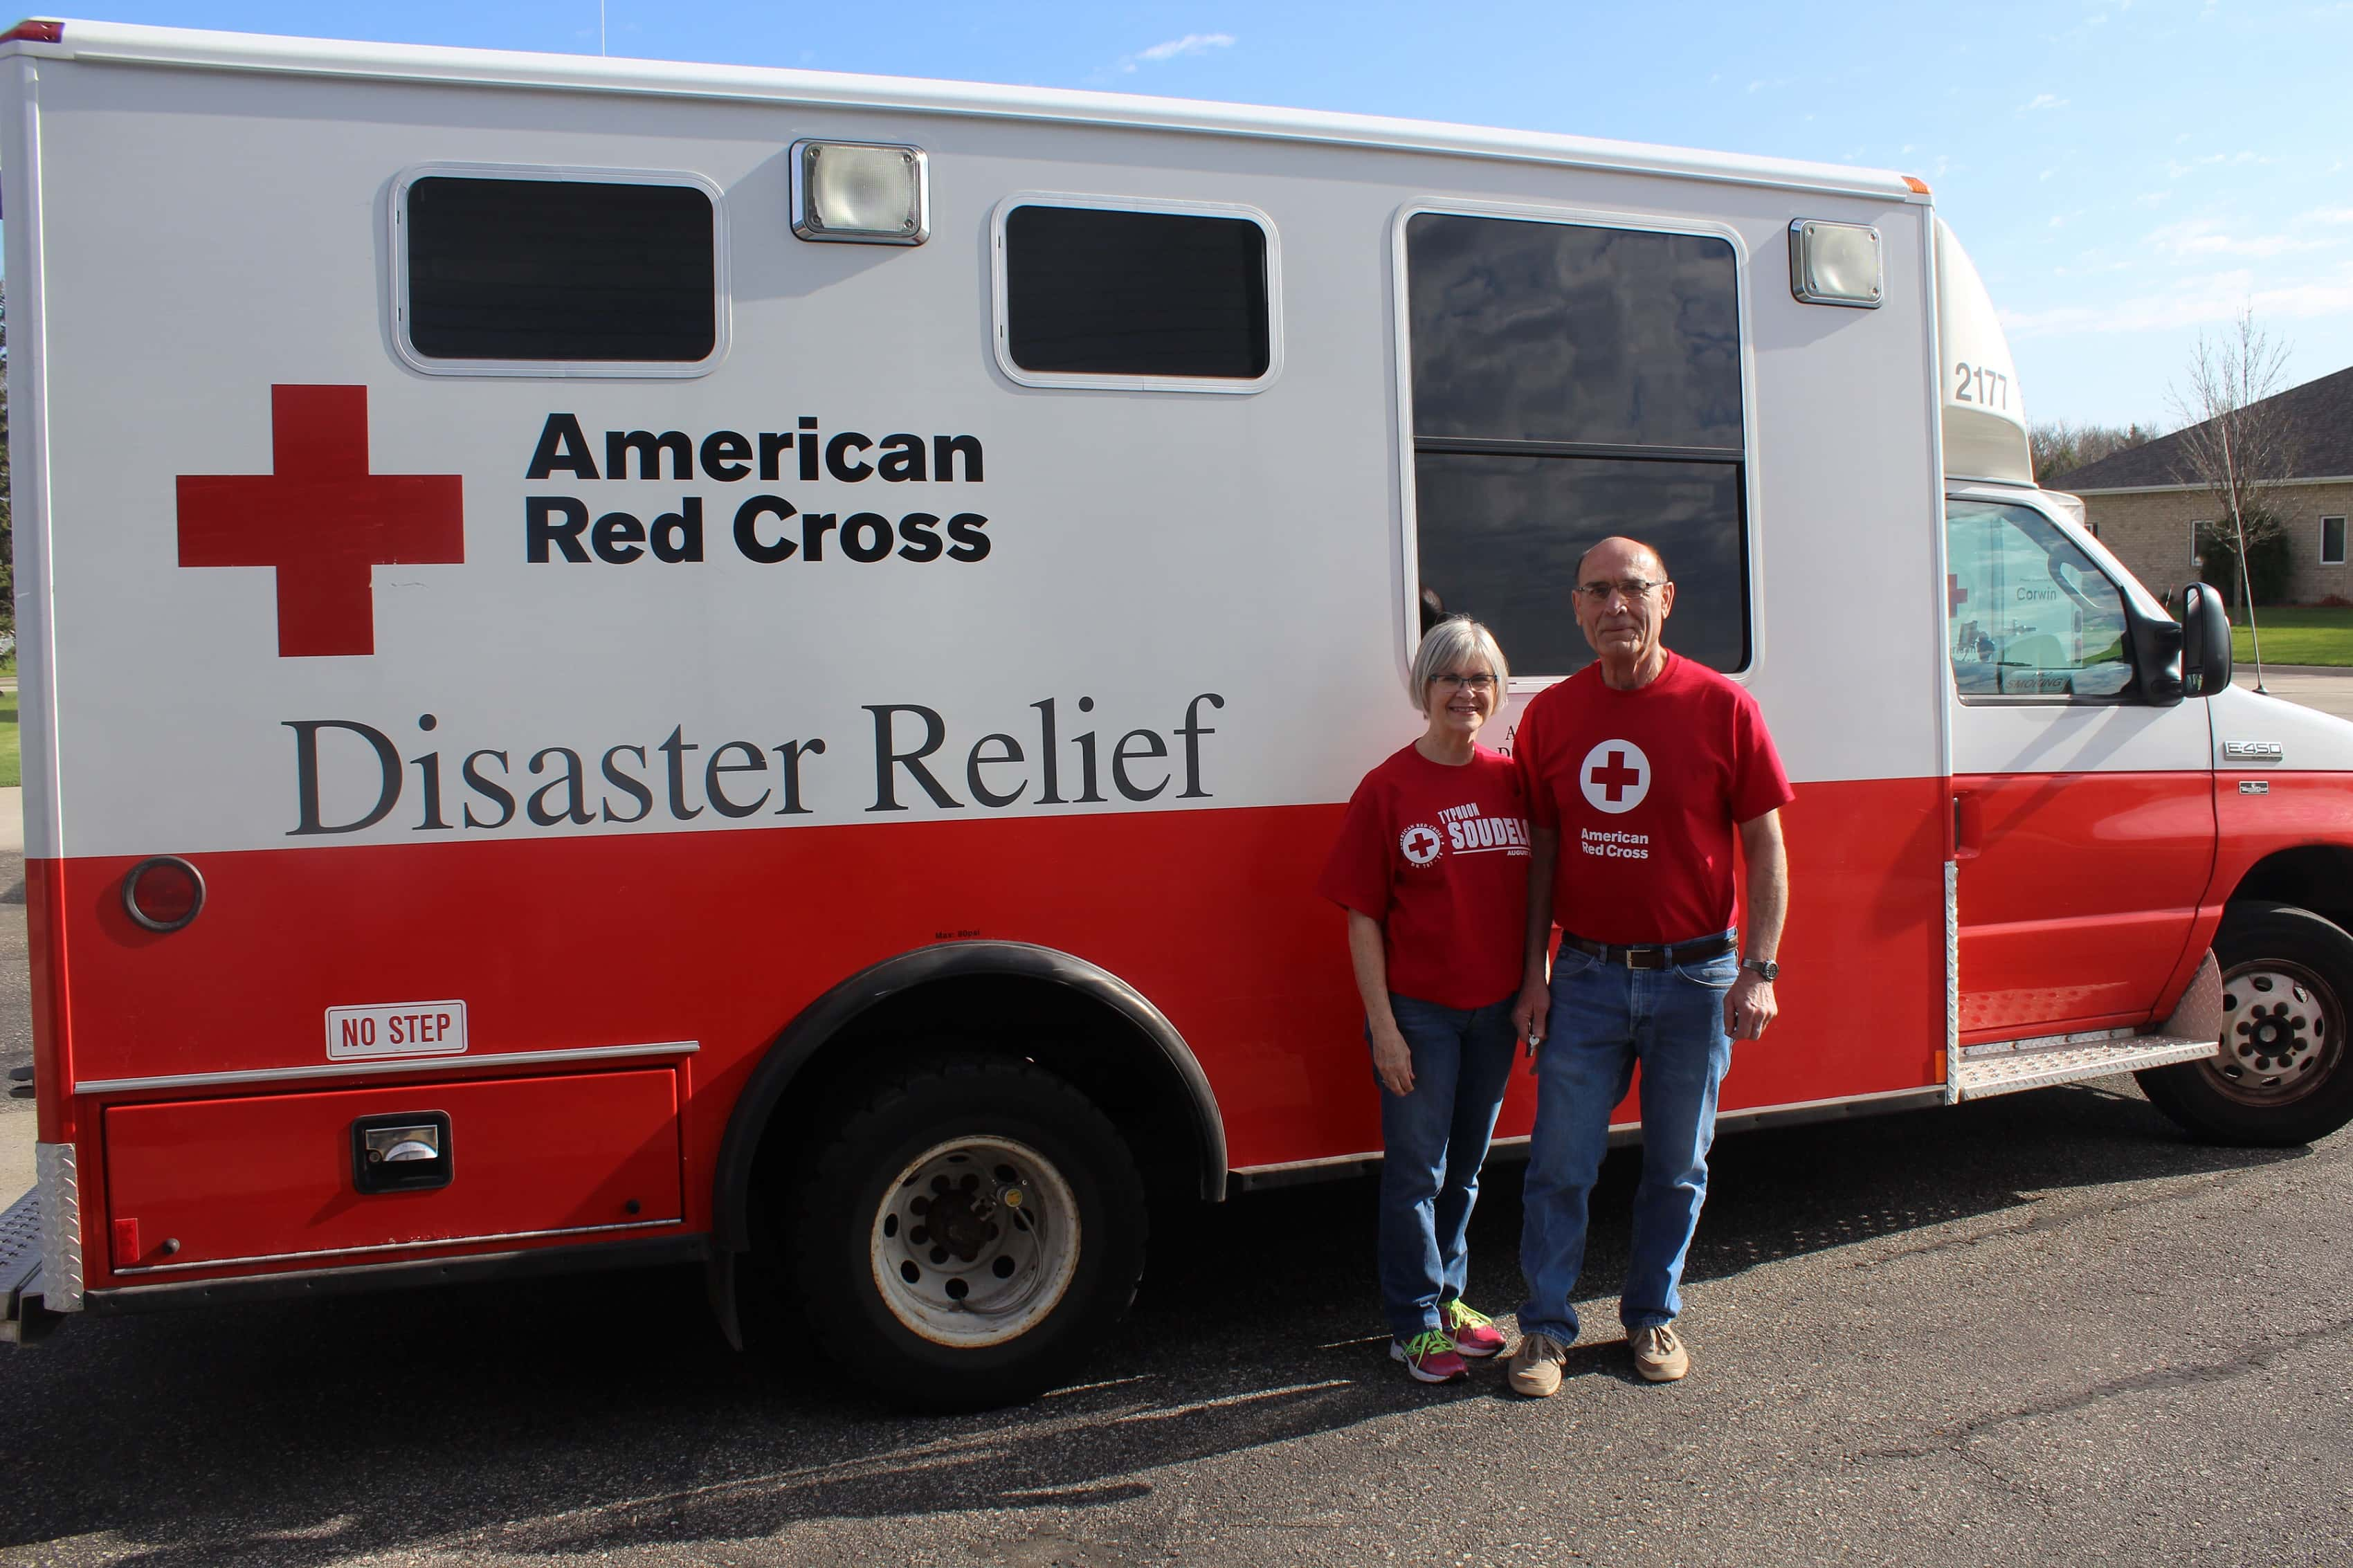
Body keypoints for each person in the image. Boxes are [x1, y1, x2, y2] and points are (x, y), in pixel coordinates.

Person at [1505, 537, 1792, 1395]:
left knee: (1677, 1164)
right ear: (1576, 605)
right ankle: (1545, 1330)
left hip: (1696, 977)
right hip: (1587, 975)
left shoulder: (1722, 707)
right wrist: (1534, 974)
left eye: (1633, 589)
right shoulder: (1553, 716)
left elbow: (1766, 849)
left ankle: (1650, 1315)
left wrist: (1762, 968)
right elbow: (1541, 858)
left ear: (1667, 599)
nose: (1615, 606)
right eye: (1598, 590)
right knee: (1559, 1164)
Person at [1318, 616, 1530, 1383]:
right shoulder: (1387, 788)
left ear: (1497, 692)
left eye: (1480, 679)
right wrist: (1384, 1027)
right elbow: (1362, 916)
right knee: (1417, 1172)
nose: (1466, 693)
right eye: (1450, 678)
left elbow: (1536, 897)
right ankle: (1410, 1324)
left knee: (1466, 1168)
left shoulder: (1512, 781)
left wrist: (1531, 987)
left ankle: (1447, 1298)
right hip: (1421, 1014)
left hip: (1494, 1012)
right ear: (1425, 689)